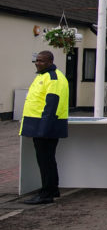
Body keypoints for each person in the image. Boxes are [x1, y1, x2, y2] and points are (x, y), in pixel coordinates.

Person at [19, 51, 69, 205]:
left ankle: (46, 193)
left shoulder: (54, 78)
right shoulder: (42, 76)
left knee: (45, 160)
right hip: (37, 125)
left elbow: (52, 105)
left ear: (50, 62)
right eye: (36, 60)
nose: (37, 63)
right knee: (46, 159)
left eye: (41, 61)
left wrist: (43, 129)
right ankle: (52, 189)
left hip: (45, 127)